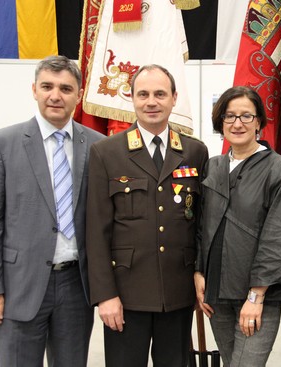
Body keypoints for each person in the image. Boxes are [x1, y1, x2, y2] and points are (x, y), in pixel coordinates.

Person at [0, 55, 104, 367]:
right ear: (34, 89)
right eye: (47, 86)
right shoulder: (1, 144)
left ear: (79, 93)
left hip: (76, 286)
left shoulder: (99, 146)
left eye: (65, 88)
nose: (55, 95)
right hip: (18, 285)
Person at [86, 64, 208, 367]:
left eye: (159, 94)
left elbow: (203, 225)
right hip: (126, 296)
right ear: (131, 98)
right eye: (143, 94)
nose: (151, 101)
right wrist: (105, 296)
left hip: (178, 292)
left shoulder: (195, 152)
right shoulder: (106, 153)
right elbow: (96, 231)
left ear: (174, 98)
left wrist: (202, 276)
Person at [194, 86, 281, 367]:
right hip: (216, 291)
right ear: (220, 123)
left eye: (246, 116)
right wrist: (198, 271)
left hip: (257, 295)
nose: (237, 123)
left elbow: (278, 235)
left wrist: (256, 295)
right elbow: (202, 225)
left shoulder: (280, 168)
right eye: (229, 116)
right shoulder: (212, 166)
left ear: (260, 123)